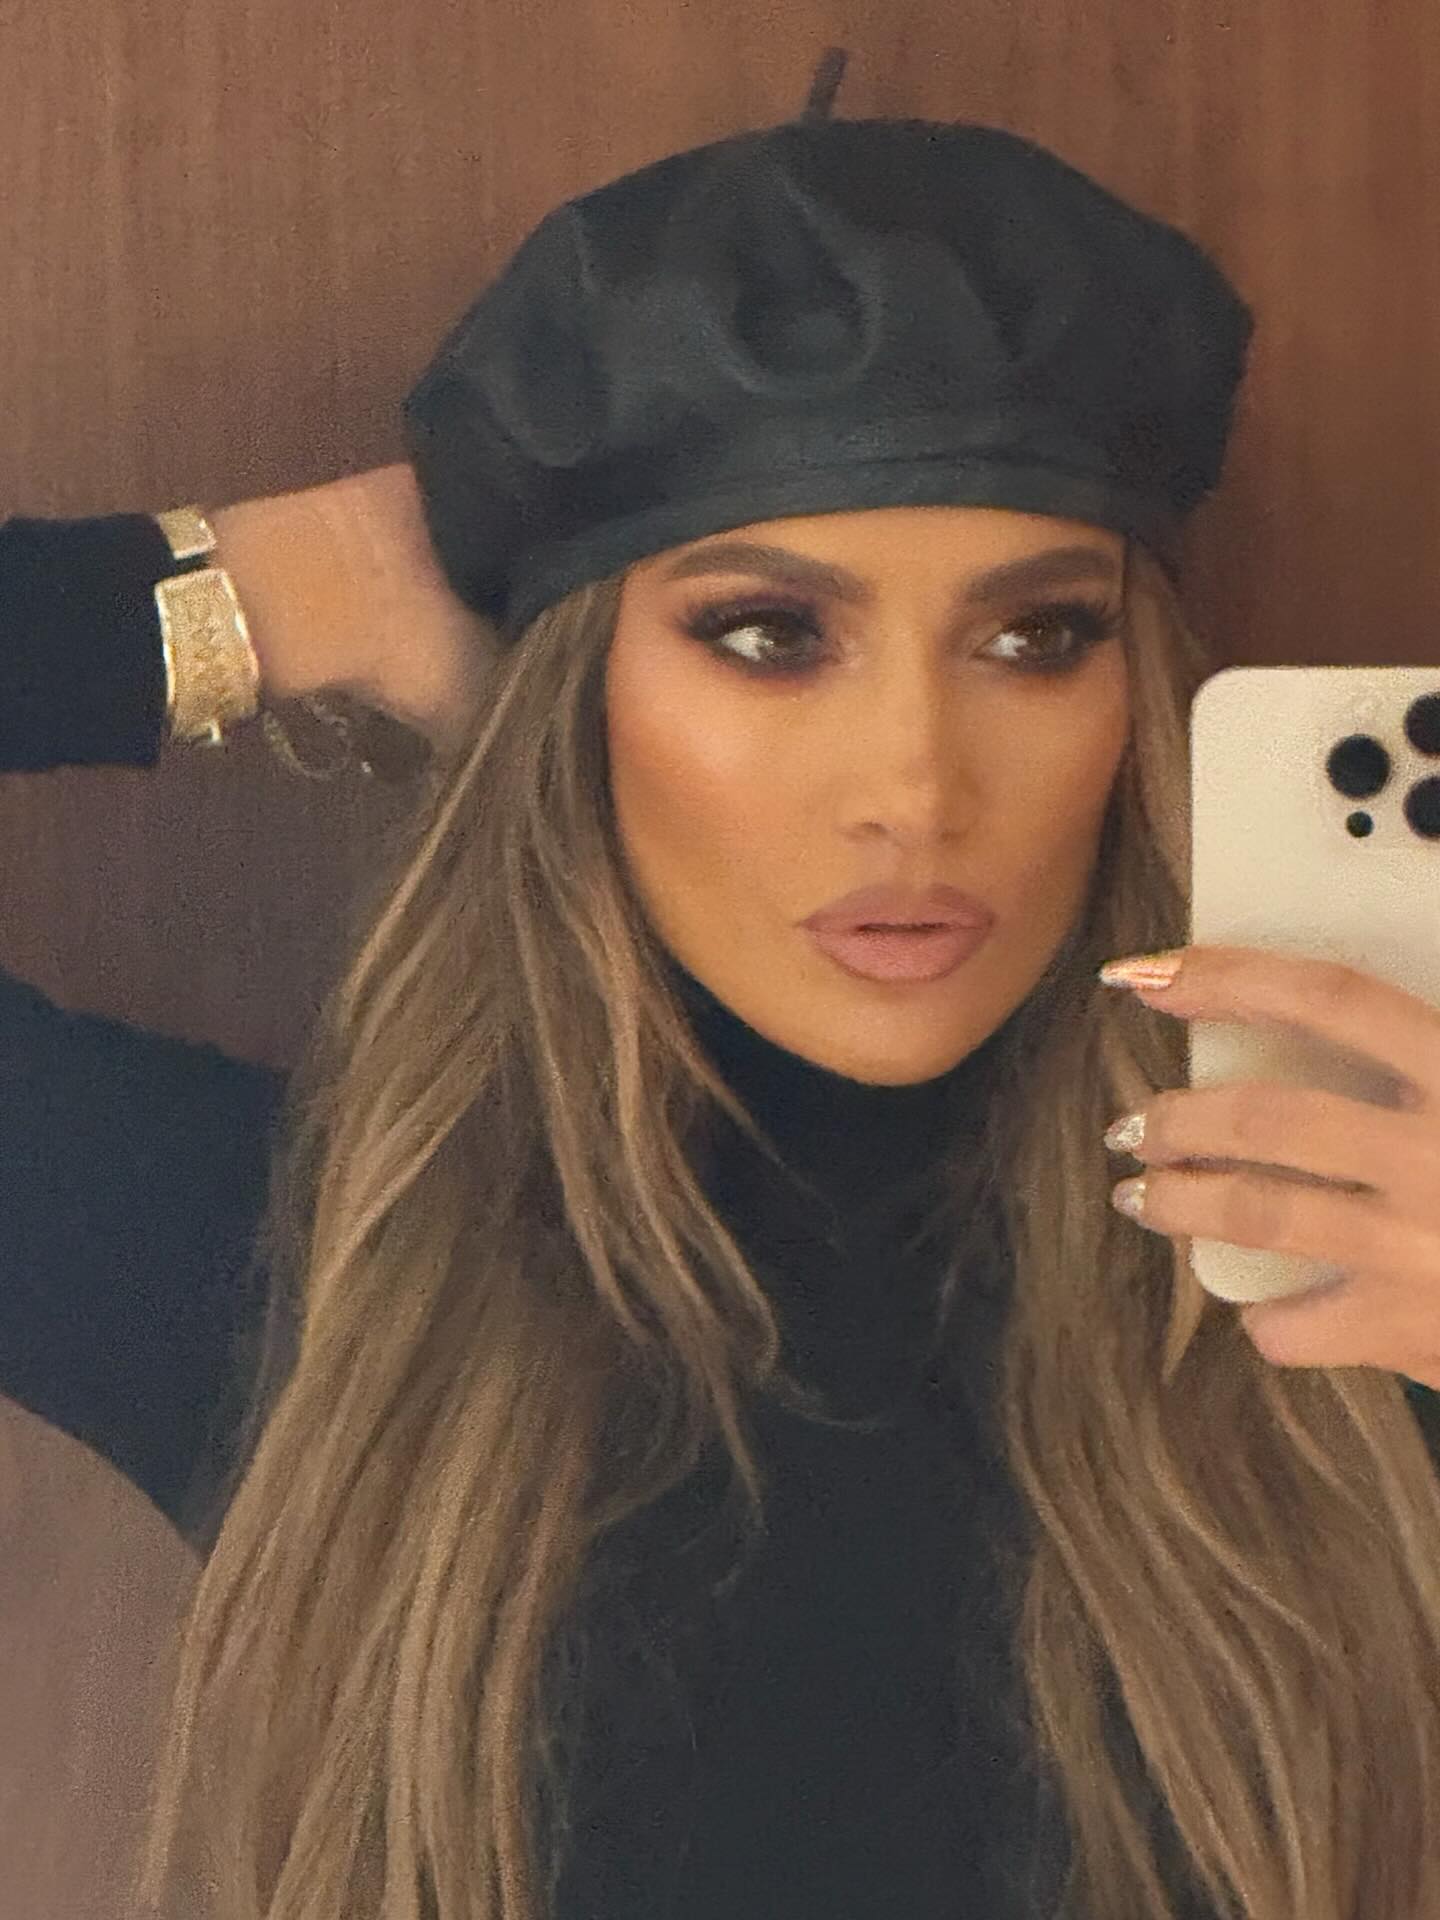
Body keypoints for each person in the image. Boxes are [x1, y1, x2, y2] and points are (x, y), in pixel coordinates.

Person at [6, 65, 1440, 1920]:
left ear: (1134, 705)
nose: (916, 784)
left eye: (1036, 636)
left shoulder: (1357, 1295)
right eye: (769, 634)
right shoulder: (304, 1277)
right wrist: (302, 588)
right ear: (582, 703)